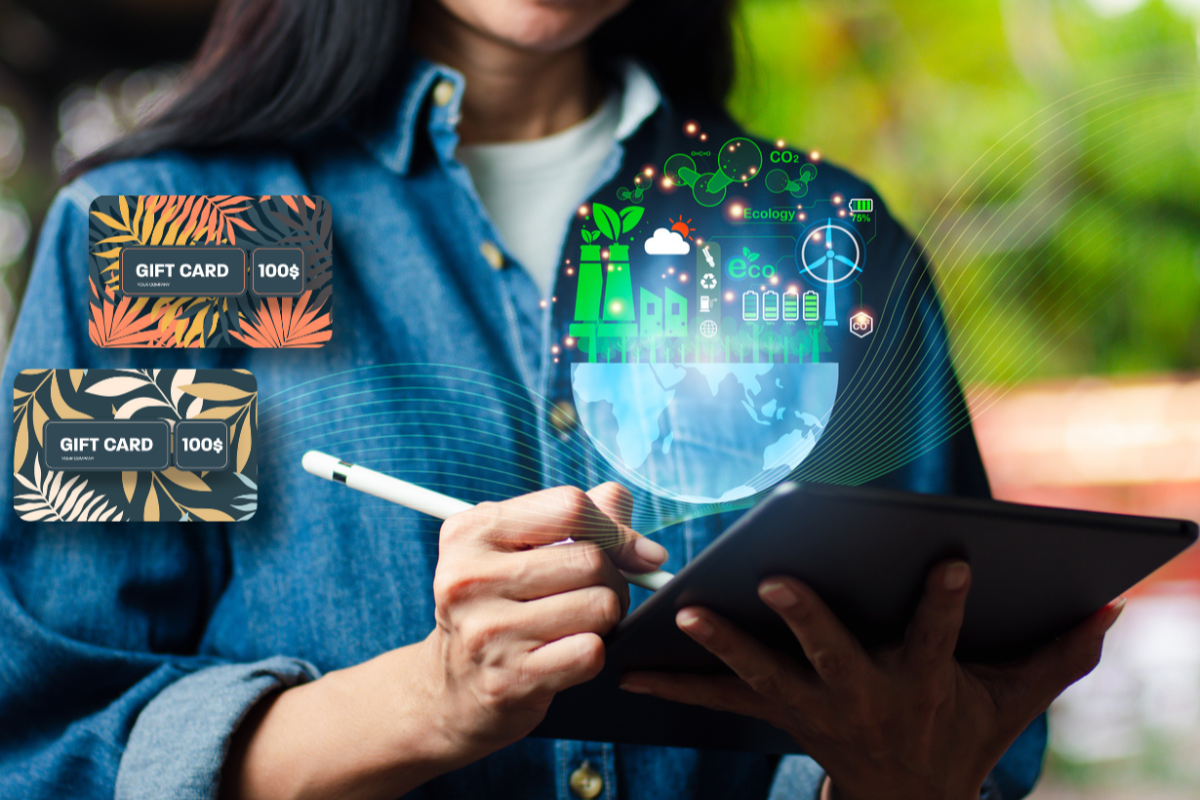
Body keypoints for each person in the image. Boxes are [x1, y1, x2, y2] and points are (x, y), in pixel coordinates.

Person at [0, 1, 1122, 799]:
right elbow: (63, 739)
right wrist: (433, 701)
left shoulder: (816, 241)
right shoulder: (178, 233)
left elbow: (939, 721)